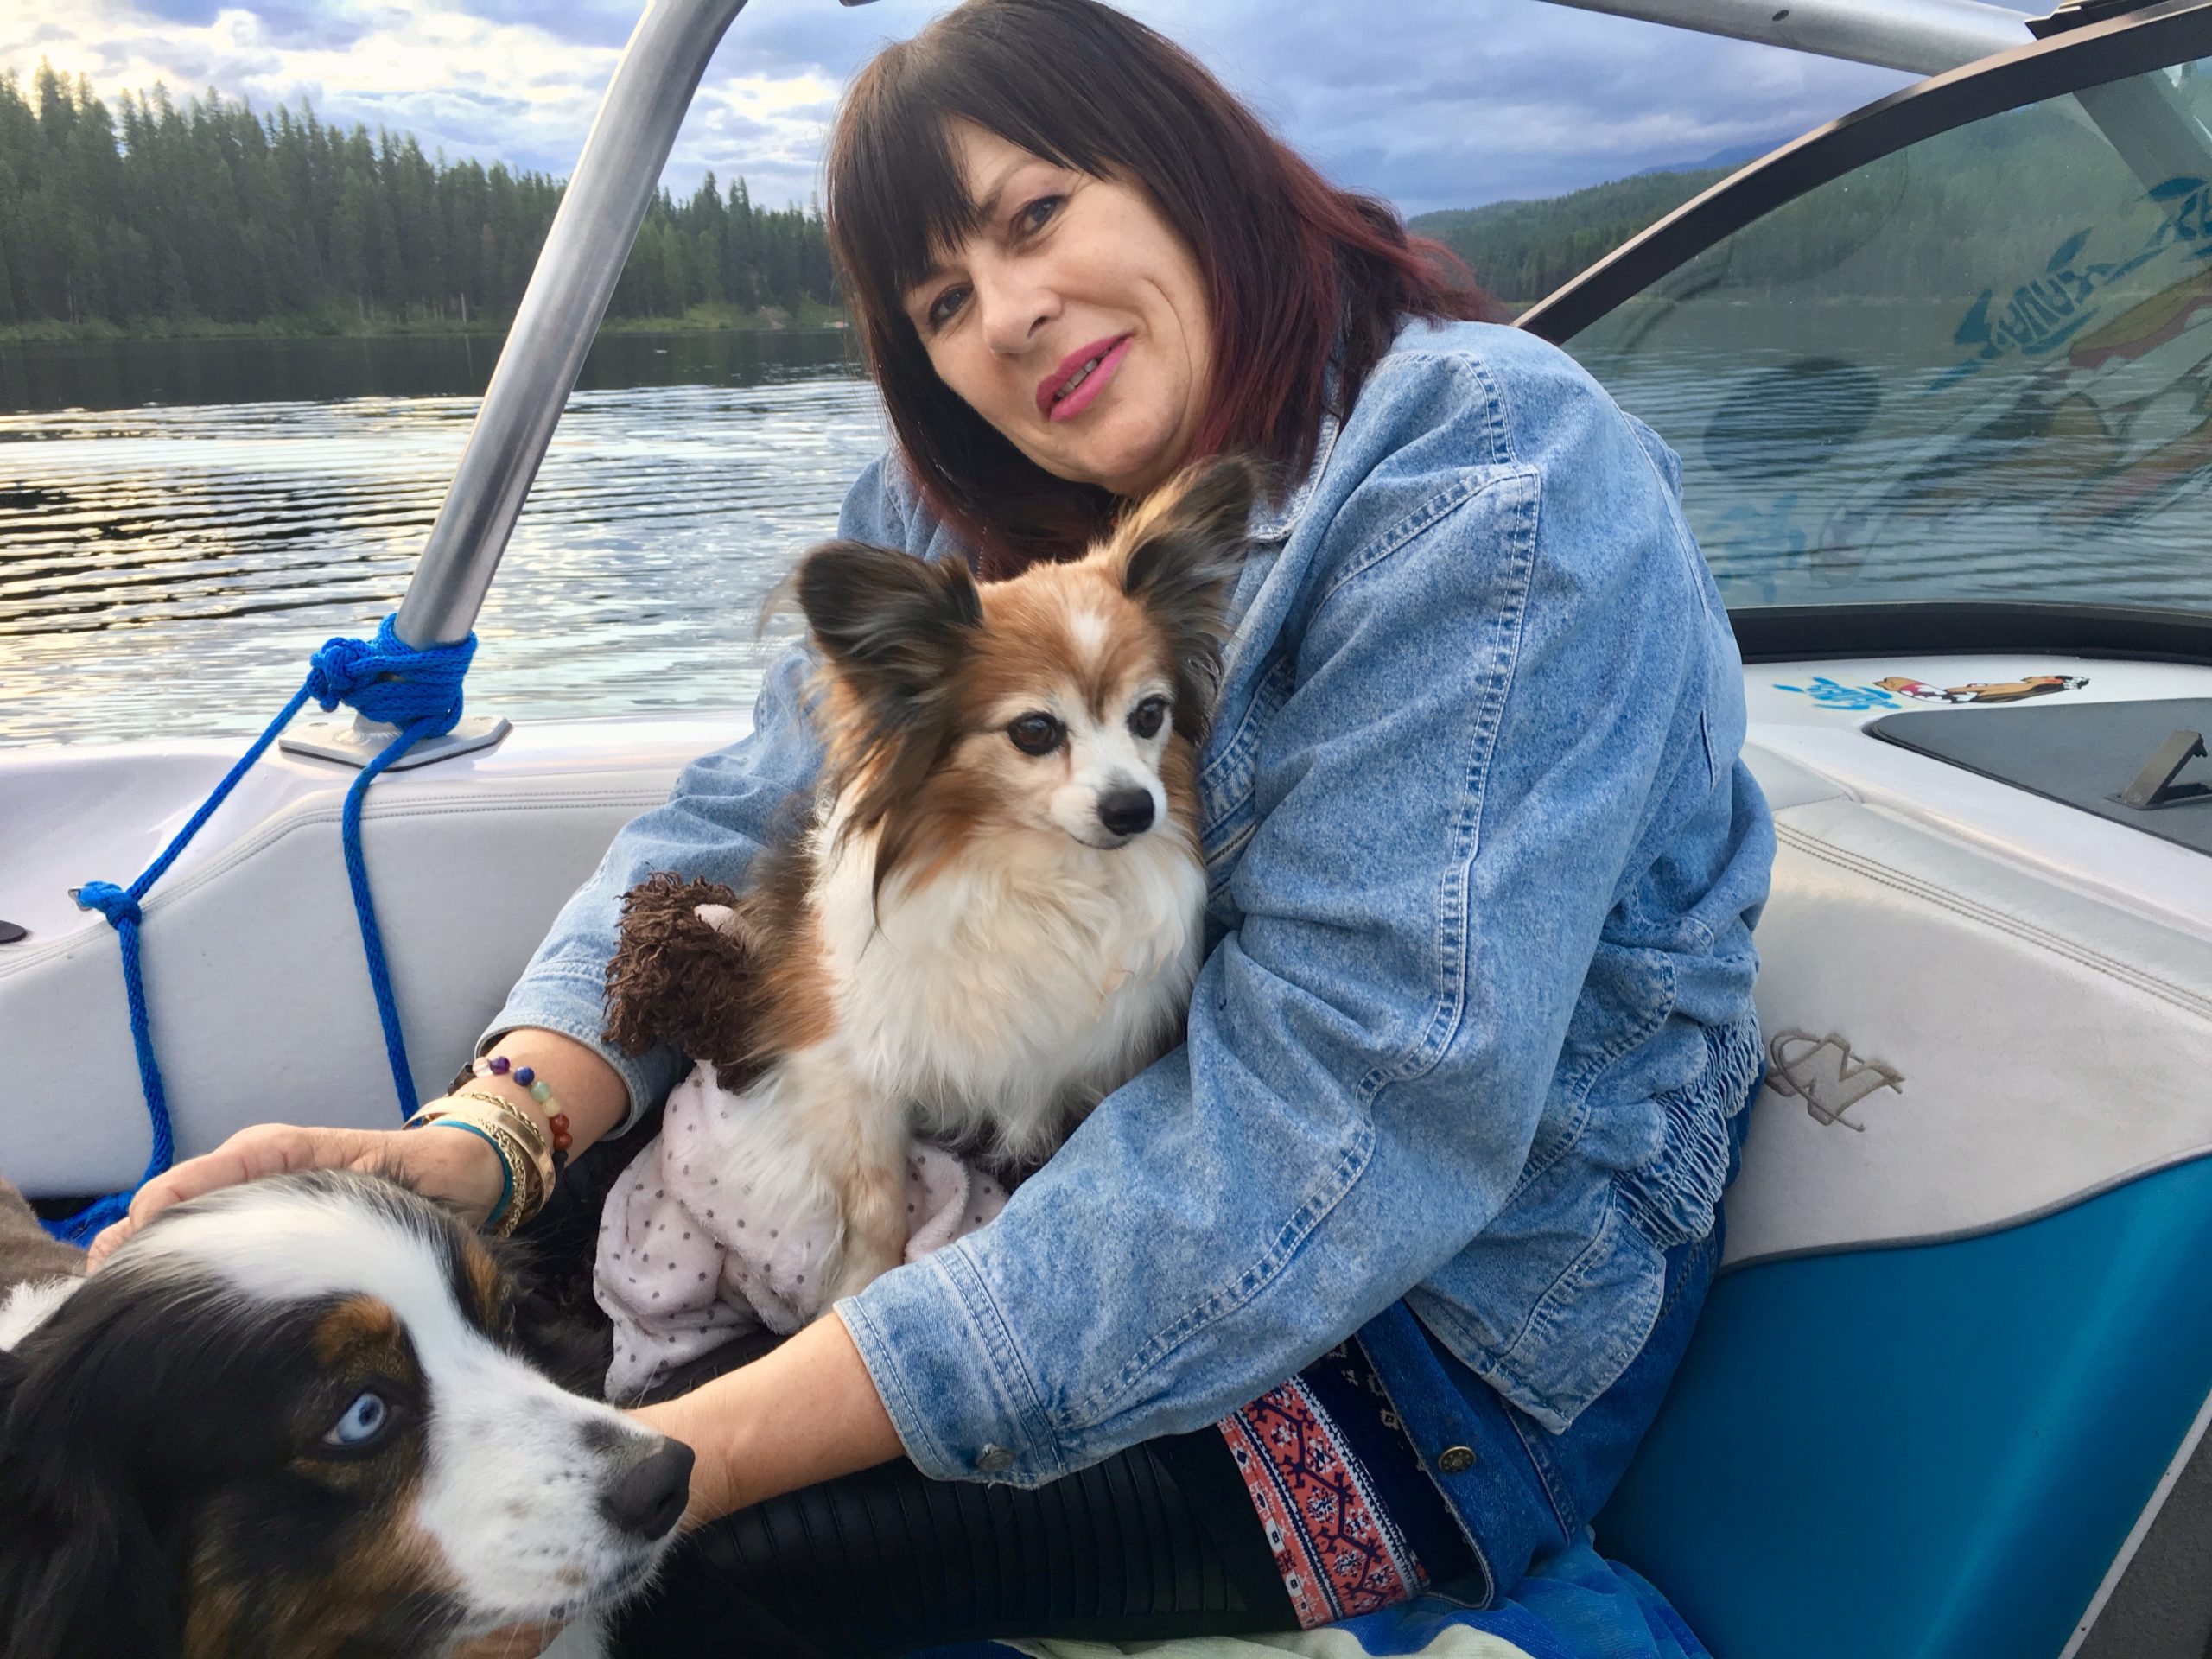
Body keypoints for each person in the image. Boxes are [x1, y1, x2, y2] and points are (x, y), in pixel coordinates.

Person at [88, 1, 1776, 1652]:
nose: (1013, 319)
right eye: (944, 298)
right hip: (1012, 1181)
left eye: (1037, 213)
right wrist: (483, 1147)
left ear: (1188, 166)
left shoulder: (1487, 484)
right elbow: (732, 823)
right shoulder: (942, 507)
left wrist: (683, 1466)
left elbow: (1315, 1146)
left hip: (1416, 1364)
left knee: (624, 1589)